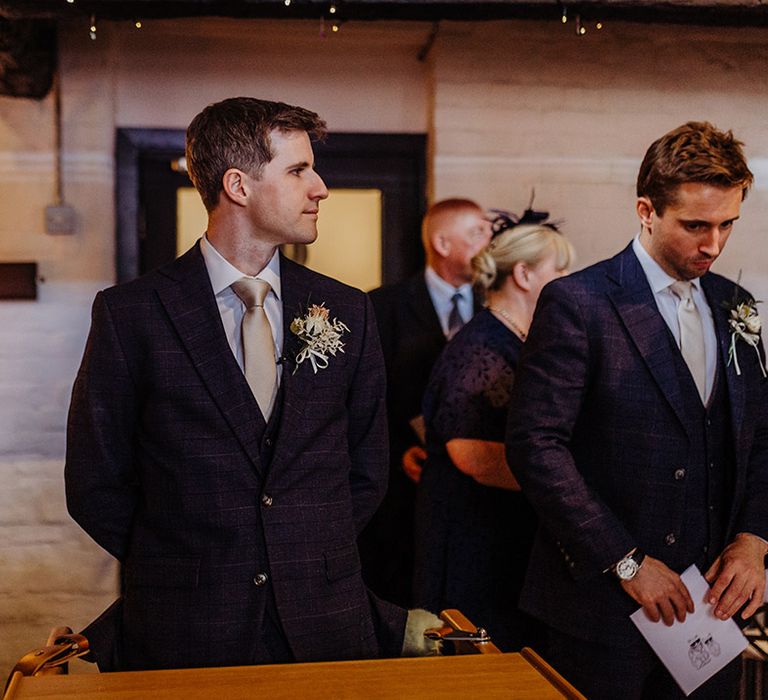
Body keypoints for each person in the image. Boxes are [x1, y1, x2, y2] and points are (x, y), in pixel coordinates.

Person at [65, 97, 413, 671]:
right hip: (185, 623)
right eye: (298, 170)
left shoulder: (348, 309)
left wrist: (302, 549)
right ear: (238, 185)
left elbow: (367, 465)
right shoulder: (132, 314)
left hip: (326, 620)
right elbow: (94, 479)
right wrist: (179, 562)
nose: (320, 187)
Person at [506, 121, 768, 698]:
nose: (714, 245)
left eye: (728, 224)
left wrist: (753, 540)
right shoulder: (580, 302)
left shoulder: (735, 304)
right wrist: (625, 561)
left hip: (709, 611)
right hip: (597, 611)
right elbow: (536, 446)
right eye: (695, 225)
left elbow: (760, 437)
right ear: (647, 210)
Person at [413, 214, 574, 651]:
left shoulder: (521, 338)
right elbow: (471, 455)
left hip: (507, 530)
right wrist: (568, 486)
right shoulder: (479, 346)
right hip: (473, 532)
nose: (568, 280)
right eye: (559, 270)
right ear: (523, 274)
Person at [358, 198, 492, 607]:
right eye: (476, 233)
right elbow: (366, 397)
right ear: (442, 242)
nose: (489, 242)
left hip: (478, 491)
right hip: (403, 494)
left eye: (488, 231)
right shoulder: (381, 306)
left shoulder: (499, 302)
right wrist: (398, 451)